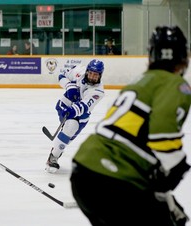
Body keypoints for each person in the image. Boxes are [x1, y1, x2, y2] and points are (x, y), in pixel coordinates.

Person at [70, 25, 191, 226]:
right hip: (114, 180)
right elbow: (163, 138)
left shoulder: (138, 82)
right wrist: (176, 169)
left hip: (83, 169)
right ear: (182, 58)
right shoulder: (177, 84)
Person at [45, 59, 105, 173]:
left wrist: (72, 110)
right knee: (70, 126)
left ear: (100, 75)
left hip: (81, 115)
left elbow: (83, 107)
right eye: (91, 73)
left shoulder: (98, 91)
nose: (92, 77)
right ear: (87, 71)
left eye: (96, 75)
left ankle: (58, 149)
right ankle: (53, 157)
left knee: (67, 138)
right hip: (65, 104)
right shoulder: (79, 70)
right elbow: (61, 76)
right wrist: (69, 85)